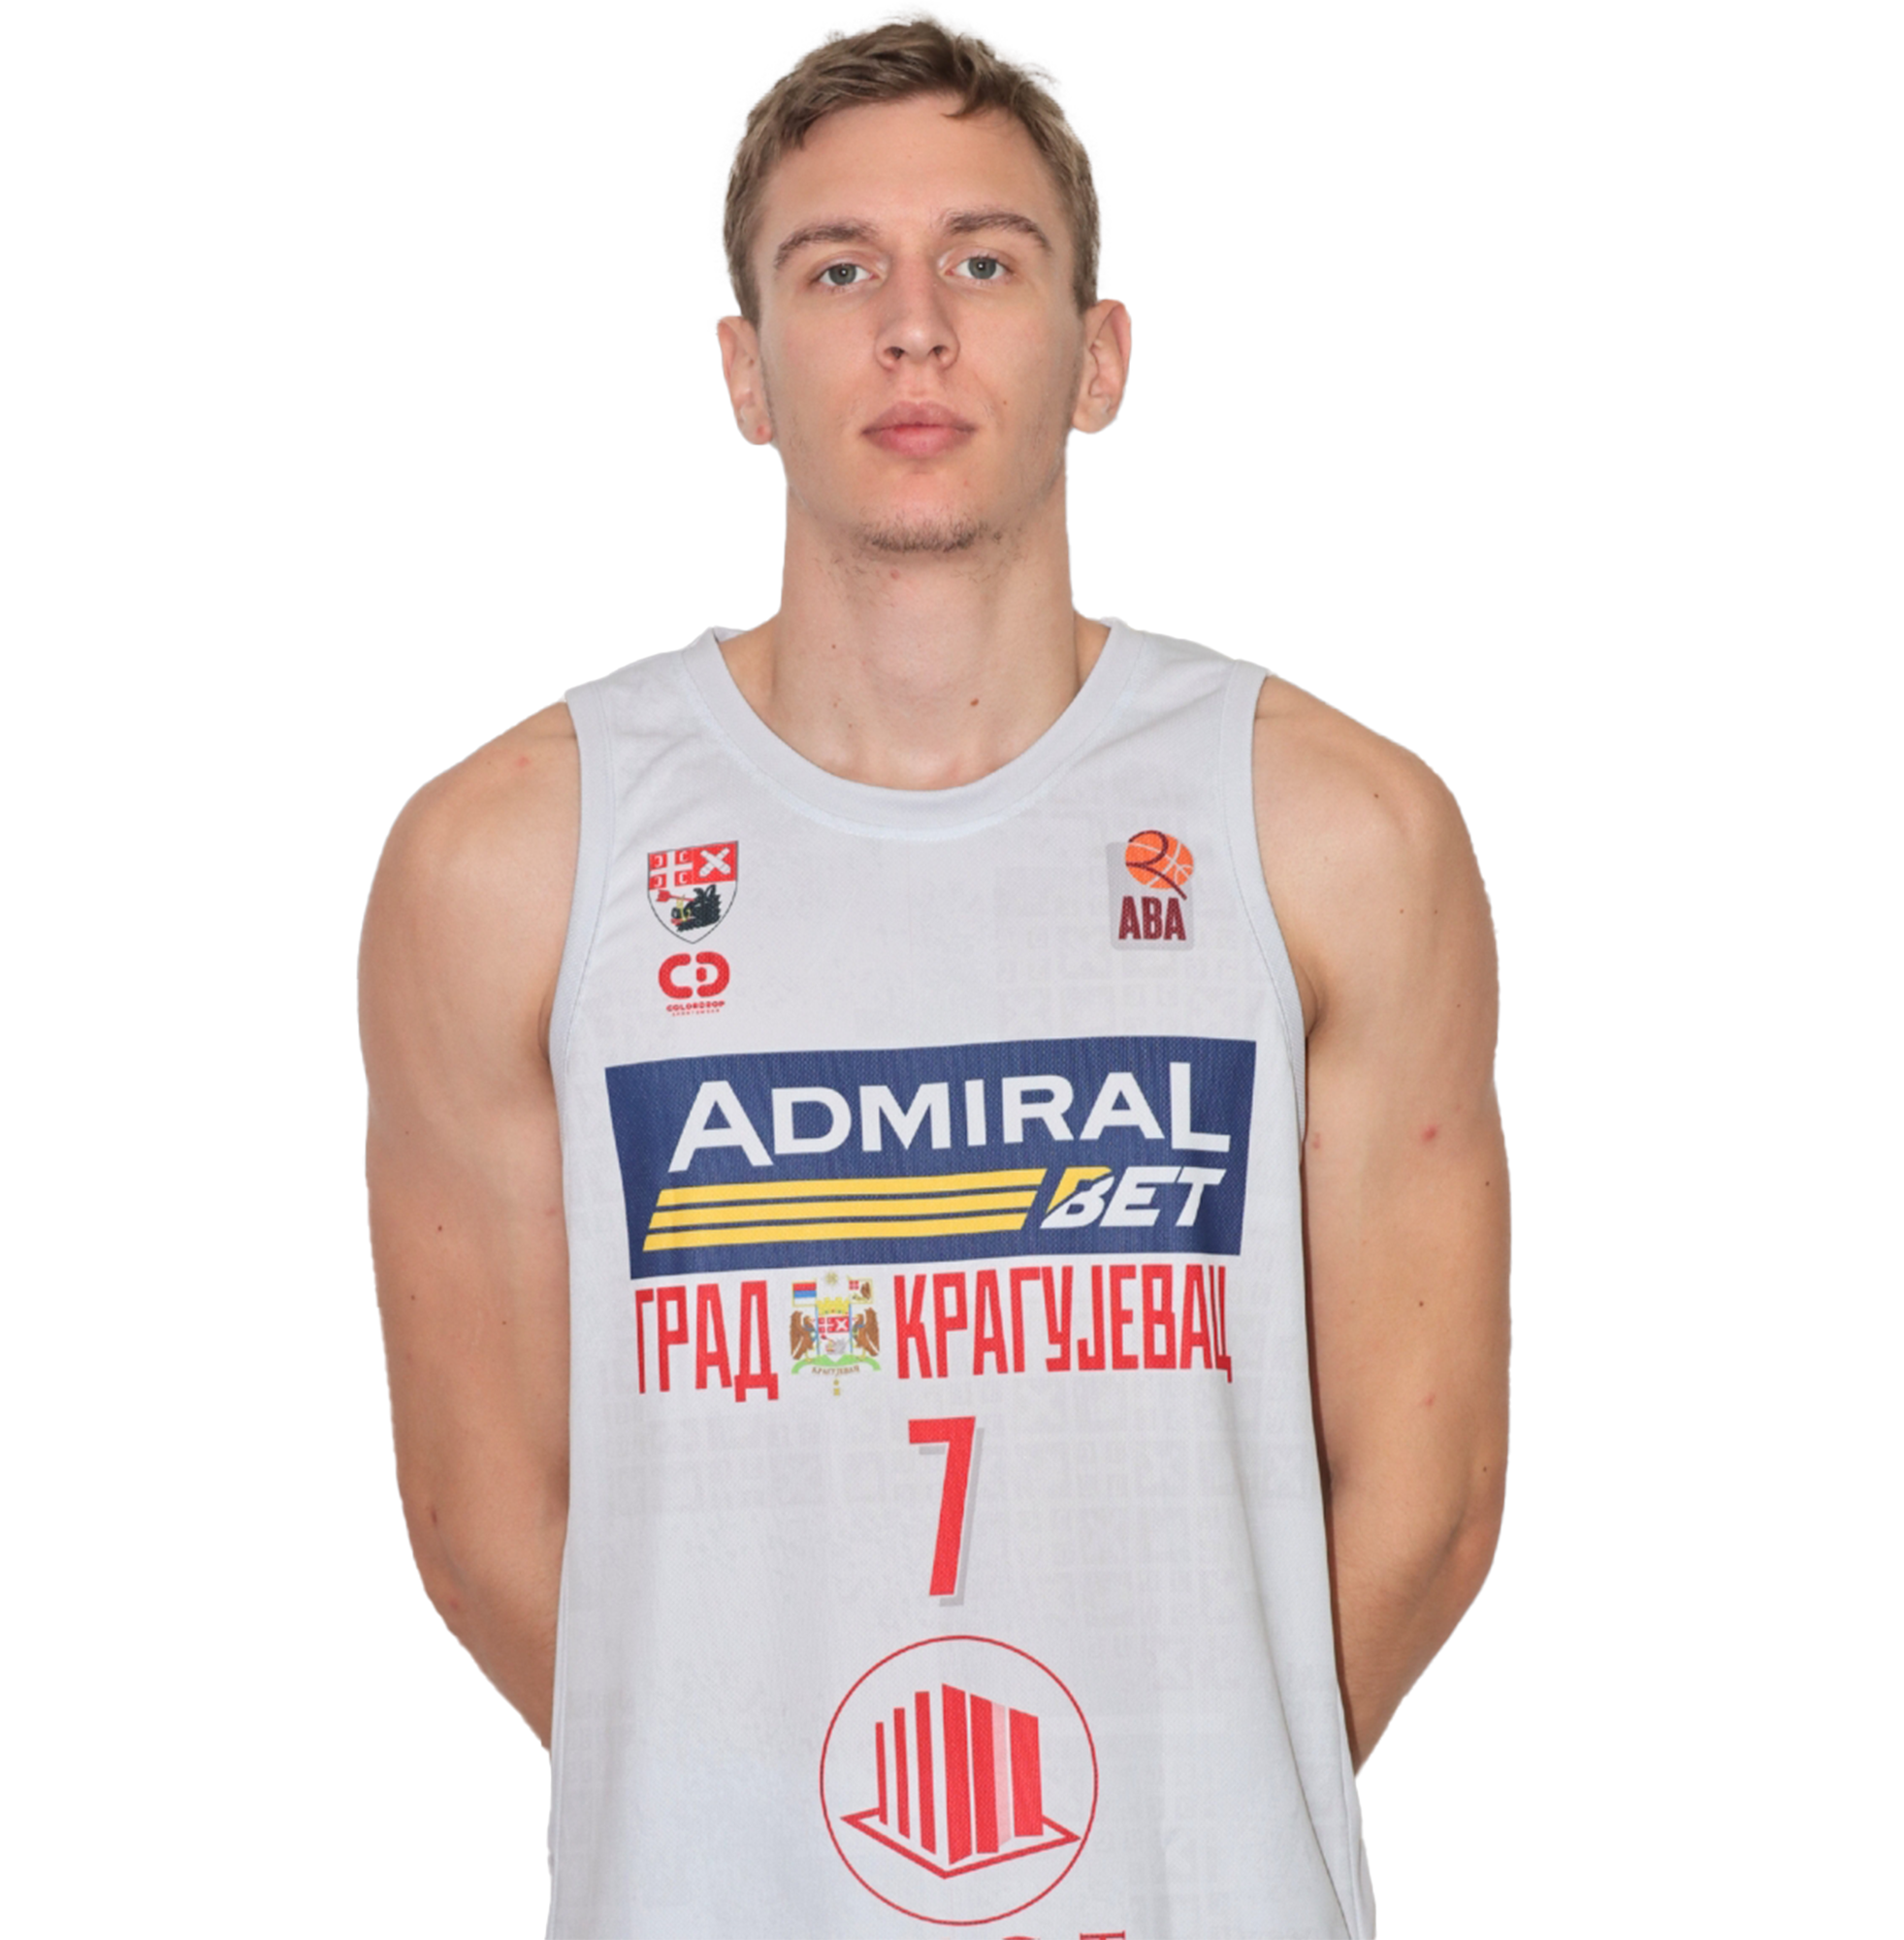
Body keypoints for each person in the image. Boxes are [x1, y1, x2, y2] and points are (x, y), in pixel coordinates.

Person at [358, 10, 1510, 1934]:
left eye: (983, 262)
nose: (913, 328)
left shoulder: (1336, 830)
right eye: (838, 271)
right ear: (743, 371)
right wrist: (796, 1854)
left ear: (1099, 353)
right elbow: (486, 1525)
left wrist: (1158, 1817)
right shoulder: (507, 858)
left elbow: (1428, 1497)